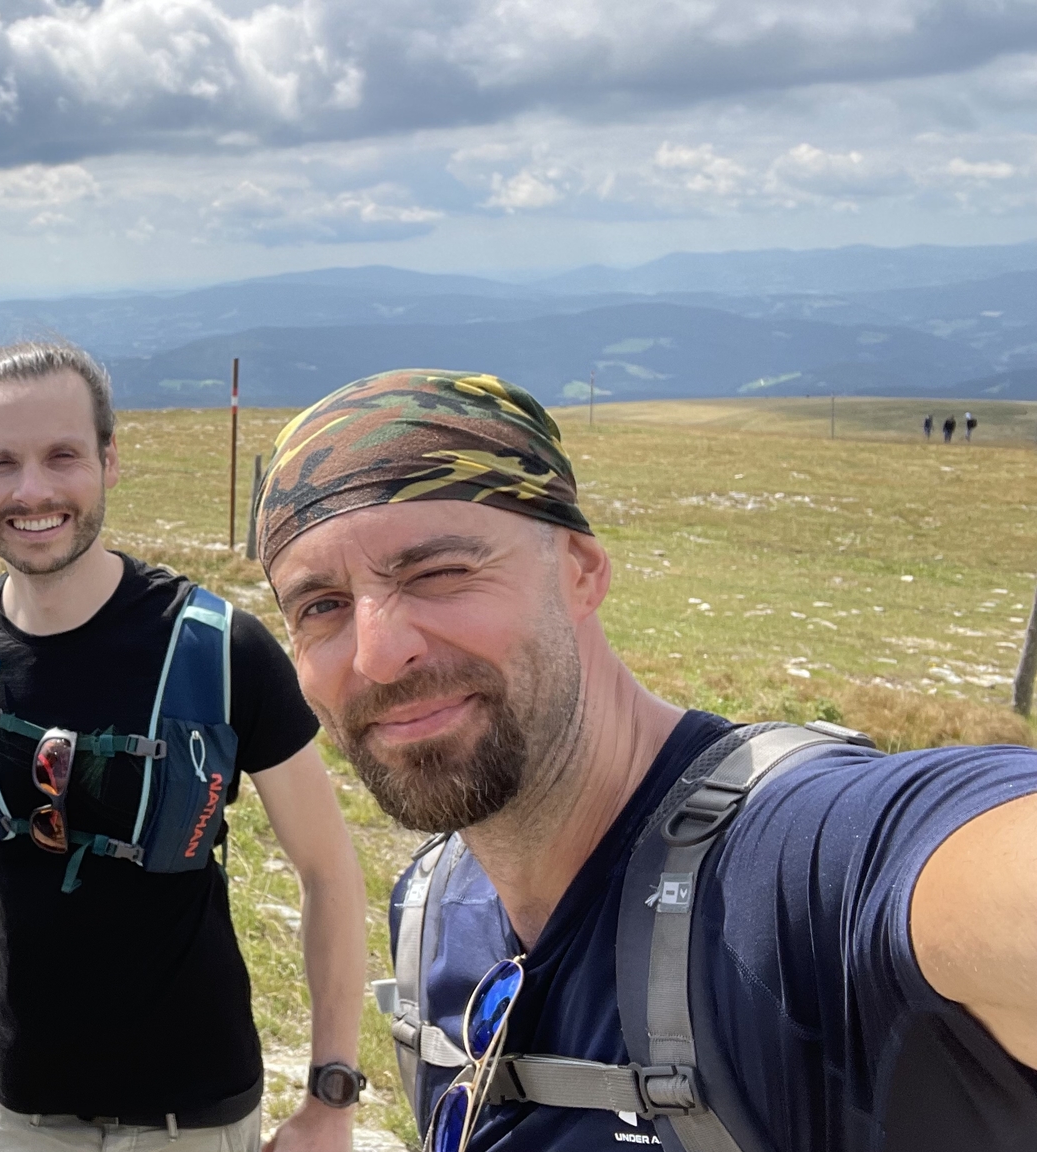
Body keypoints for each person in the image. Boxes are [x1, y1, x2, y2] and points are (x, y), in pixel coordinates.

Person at [255, 369, 1037, 1151]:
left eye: (439, 572)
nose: (380, 653)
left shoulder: (799, 872)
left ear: (582, 571)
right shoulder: (436, 911)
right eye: (321, 606)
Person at [0, 342, 370, 1152]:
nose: (33, 490)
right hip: (18, 1113)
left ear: (110, 461)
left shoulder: (222, 650)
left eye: (63, 456)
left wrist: (332, 1097)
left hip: (194, 1117)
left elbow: (329, 872)